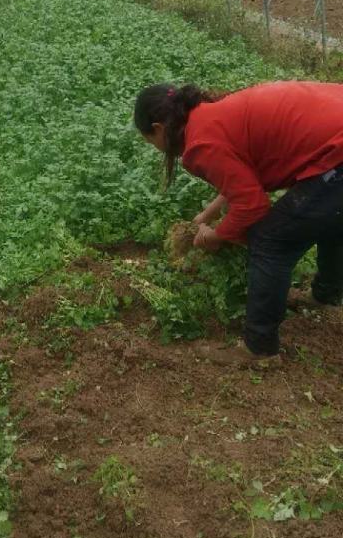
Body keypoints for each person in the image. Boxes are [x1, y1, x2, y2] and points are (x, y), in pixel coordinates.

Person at [134, 80, 343, 358]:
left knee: (270, 240)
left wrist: (217, 235)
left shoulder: (200, 144)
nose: (154, 146)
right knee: (331, 216)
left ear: (158, 129)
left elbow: (252, 206)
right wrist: (209, 213)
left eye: (149, 141)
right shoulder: (210, 112)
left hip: (337, 153)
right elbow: (245, 175)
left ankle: (258, 349)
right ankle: (326, 295)